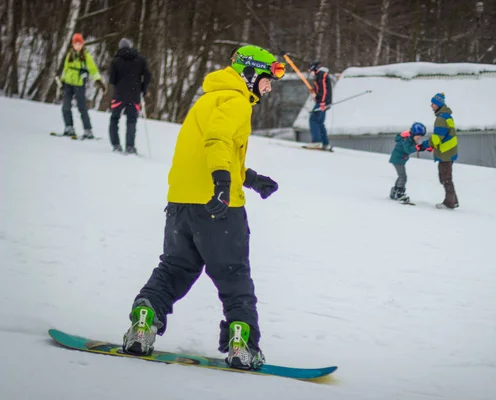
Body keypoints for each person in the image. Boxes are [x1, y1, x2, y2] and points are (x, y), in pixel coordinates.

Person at [122, 45, 285, 371]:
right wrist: (224, 186)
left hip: (182, 204)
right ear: (250, 74)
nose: (268, 87)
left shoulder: (208, 100)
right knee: (234, 276)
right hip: (218, 206)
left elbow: (208, 148)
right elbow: (218, 141)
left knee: (174, 269)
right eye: (267, 79)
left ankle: (144, 321)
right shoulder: (237, 101)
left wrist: (250, 178)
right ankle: (243, 345)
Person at [108, 38, 152, 154]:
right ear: (131, 46)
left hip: (119, 94)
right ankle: (130, 146)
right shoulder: (140, 60)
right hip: (134, 94)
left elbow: (112, 80)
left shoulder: (115, 61)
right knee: (131, 120)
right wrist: (143, 89)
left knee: (114, 119)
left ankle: (116, 145)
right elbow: (147, 76)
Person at [58, 33, 105, 139]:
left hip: (79, 84)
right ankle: (69, 127)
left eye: (79, 44)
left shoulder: (86, 56)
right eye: (76, 44)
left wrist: (98, 80)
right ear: (73, 45)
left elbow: (93, 69)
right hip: (68, 83)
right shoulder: (69, 55)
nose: (77, 46)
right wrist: (62, 81)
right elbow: (65, 69)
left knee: (82, 107)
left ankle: (88, 130)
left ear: (82, 45)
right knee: (66, 106)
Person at [420, 93, 459, 209]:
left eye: (433, 104)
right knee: (445, 177)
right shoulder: (446, 116)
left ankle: (449, 202)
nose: (431, 106)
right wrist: (432, 145)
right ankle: (453, 201)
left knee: (445, 178)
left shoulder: (441, 118)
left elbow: (437, 138)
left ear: (438, 104)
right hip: (449, 151)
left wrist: (425, 145)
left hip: (445, 153)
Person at [389, 122, 430, 204]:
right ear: (414, 134)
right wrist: (416, 147)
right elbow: (407, 149)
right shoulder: (406, 139)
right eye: (418, 138)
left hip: (399, 159)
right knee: (403, 177)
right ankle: (399, 194)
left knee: (400, 176)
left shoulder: (410, 138)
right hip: (398, 160)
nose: (419, 139)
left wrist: (424, 148)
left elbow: (414, 147)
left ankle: (395, 192)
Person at [306, 61, 332, 150]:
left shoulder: (321, 75)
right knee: (320, 122)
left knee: (313, 120)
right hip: (324, 102)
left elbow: (324, 90)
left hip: (322, 102)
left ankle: (316, 142)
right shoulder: (320, 75)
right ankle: (325, 143)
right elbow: (321, 89)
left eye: (310, 71)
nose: (310, 73)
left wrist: (322, 102)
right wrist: (314, 92)